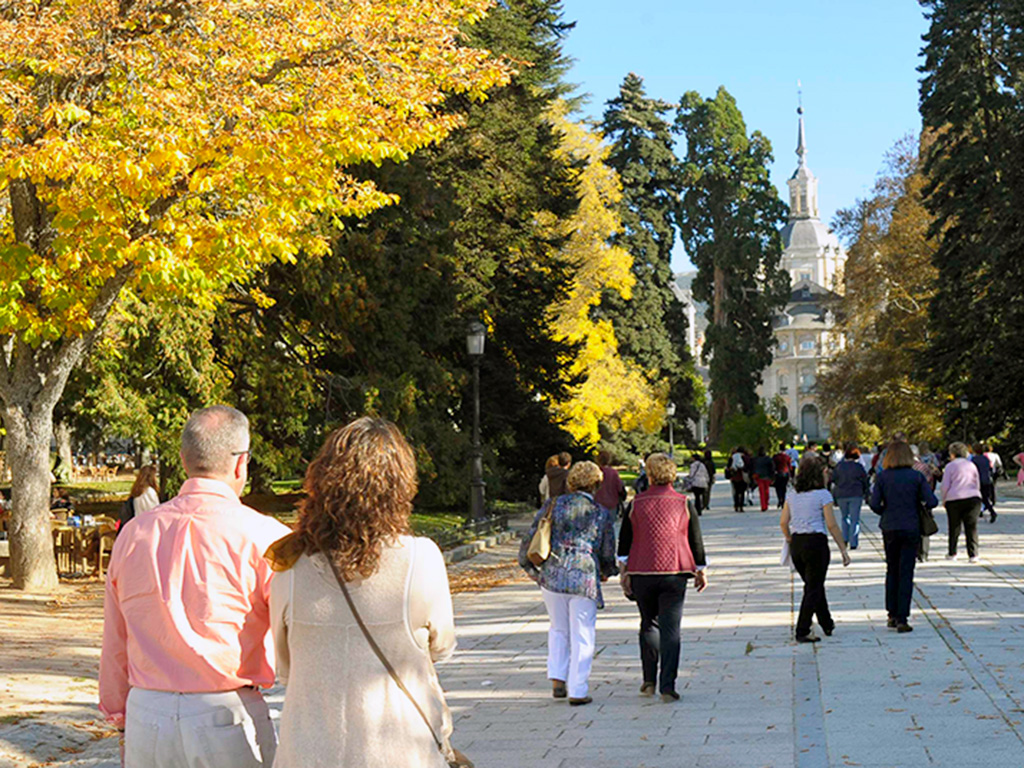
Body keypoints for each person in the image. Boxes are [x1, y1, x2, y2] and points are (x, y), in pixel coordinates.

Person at [99, 406, 292, 767]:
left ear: (184, 460)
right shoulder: (267, 538)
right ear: (241, 464)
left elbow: (116, 639)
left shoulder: (134, 534)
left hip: (147, 711)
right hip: (225, 710)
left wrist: (120, 716)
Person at [266, 418, 461, 768]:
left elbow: (285, 667)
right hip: (400, 750)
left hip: (308, 752)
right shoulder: (421, 557)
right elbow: (442, 645)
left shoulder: (289, 565)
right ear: (400, 486)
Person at [519, 461, 617, 706]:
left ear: (571, 482)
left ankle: (557, 678)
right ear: (596, 483)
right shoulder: (600, 511)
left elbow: (532, 535)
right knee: (583, 632)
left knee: (558, 628)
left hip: (552, 574)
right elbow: (606, 549)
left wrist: (529, 567)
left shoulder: (553, 505)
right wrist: (607, 570)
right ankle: (578, 689)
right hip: (583, 575)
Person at [618, 453, 707, 702]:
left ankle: (648, 680)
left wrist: (624, 572)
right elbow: (695, 539)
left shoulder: (636, 504)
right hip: (675, 571)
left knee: (648, 623)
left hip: (642, 570)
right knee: (670, 629)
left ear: (649, 474)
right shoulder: (683, 503)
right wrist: (700, 569)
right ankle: (668, 685)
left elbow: (624, 542)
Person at [780, 456, 851, 642]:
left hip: (797, 543)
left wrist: (789, 538)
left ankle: (826, 622)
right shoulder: (823, 495)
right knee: (813, 587)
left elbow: (783, 522)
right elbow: (832, 525)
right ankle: (802, 629)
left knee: (814, 584)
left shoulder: (792, 495)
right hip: (816, 543)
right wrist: (843, 549)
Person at [870, 441, 938, 632]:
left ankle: (891, 613)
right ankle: (902, 617)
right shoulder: (916, 476)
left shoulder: (882, 477)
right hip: (911, 525)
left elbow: (874, 503)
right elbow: (932, 501)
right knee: (906, 571)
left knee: (892, 569)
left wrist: (885, 511)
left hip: (890, 526)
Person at [941, 442, 983, 563]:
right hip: (972, 497)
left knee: (954, 527)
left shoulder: (950, 466)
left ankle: (952, 552)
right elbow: (977, 482)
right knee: (971, 526)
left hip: (954, 498)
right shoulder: (971, 465)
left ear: (952, 454)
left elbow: (945, 485)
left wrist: (944, 499)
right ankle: (973, 554)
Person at [832, 444, 869, 550]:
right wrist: (866, 493)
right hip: (855, 494)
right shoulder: (858, 467)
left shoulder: (839, 466)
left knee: (844, 517)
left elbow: (833, 479)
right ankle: (854, 542)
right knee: (855, 519)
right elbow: (864, 481)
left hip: (841, 494)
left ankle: (844, 538)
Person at [118, 465, 160, 531]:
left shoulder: (138, 491)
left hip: (137, 526)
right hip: (147, 527)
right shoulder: (149, 492)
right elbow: (154, 512)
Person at [594, 450, 626, 517]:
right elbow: (619, 488)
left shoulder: (595, 472)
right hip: (611, 504)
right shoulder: (613, 473)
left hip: (597, 503)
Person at [972, 443, 997, 523]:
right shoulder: (986, 459)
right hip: (987, 480)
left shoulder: (974, 459)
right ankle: (989, 512)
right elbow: (990, 468)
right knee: (985, 498)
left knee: (977, 498)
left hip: (978, 481)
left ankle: (981, 512)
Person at [752, 447, 775, 512]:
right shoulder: (768, 459)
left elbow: (753, 468)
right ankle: (766, 502)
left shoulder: (755, 459)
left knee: (761, 491)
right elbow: (772, 468)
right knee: (766, 491)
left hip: (759, 477)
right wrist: (772, 476)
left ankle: (763, 505)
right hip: (767, 476)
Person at [772, 446, 793, 510]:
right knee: (783, 487)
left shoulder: (775, 457)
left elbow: (773, 465)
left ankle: (779, 498)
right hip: (785, 473)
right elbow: (790, 467)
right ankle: (783, 500)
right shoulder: (787, 457)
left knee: (778, 488)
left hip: (778, 473)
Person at [728, 446, 747, 512]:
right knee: (742, 492)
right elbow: (747, 466)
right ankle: (741, 506)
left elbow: (728, 466)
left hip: (734, 476)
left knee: (736, 492)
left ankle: (736, 505)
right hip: (742, 476)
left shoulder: (732, 457)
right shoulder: (744, 457)